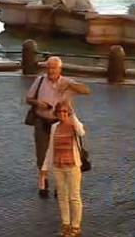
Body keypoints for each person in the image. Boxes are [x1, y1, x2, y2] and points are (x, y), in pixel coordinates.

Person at [25, 57, 89, 198]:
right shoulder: (40, 80)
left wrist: (70, 86)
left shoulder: (66, 82)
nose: (51, 71)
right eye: (49, 68)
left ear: (60, 69)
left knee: (60, 154)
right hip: (41, 121)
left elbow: (86, 90)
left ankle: (58, 186)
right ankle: (43, 180)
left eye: (54, 68)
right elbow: (28, 99)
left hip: (60, 124)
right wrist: (37, 103)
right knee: (42, 153)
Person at [41, 101, 86, 237]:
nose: (63, 114)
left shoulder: (74, 125)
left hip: (73, 166)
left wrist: (73, 114)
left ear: (69, 113)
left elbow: (82, 132)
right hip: (58, 166)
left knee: (74, 197)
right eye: (60, 112)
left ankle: (76, 227)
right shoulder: (54, 127)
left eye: (65, 112)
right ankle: (65, 225)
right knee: (62, 196)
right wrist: (44, 168)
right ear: (56, 113)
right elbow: (50, 149)